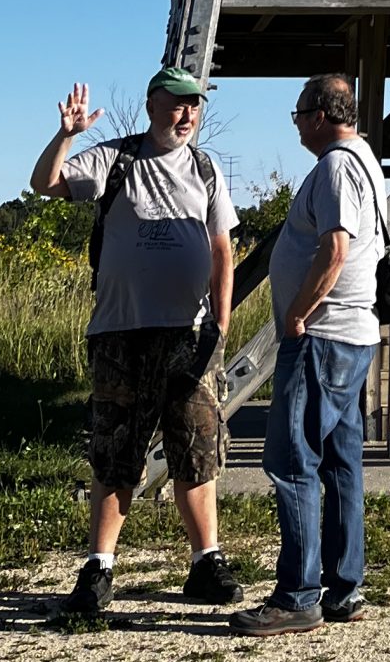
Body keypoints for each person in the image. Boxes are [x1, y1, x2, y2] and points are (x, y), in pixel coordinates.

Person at [31, 68, 243, 616]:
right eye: (177, 104)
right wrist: (67, 136)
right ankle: (99, 568)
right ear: (153, 105)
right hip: (120, 333)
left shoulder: (206, 168)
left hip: (190, 334)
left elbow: (223, 248)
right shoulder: (113, 159)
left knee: (196, 448)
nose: (188, 114)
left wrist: (220, 322)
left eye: (195, 106)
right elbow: (44, 185)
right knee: (115, 450)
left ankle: (206, 563)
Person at [229, 73, 386, 637]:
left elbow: (335, 247)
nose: (295, 123)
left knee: (293, 461)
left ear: (320, 114)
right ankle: (345, 587)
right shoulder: (365, 160)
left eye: (298, 113)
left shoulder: (338, 166)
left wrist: (297, 313)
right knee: (342, 463)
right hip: (353, 336)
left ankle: (298, 595)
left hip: (323, 335)